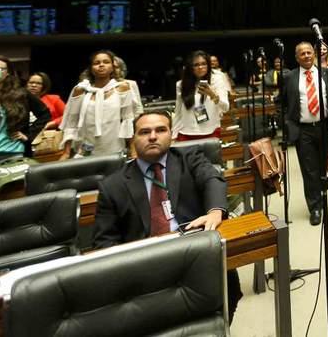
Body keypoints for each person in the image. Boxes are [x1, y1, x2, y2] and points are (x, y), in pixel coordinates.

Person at [92, 111, 242, 321]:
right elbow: (104, 242)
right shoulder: (112, 186)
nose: (153, 136)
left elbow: (212, 180)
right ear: (133, 140)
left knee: (224, 290)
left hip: (194, 253)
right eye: (145, 132)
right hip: (145, 268)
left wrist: (215, 212)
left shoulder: (189, 158)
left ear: (171, 135)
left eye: (160, 130)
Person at [283, 42, 328, 225]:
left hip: (323, 126)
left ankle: (322, 196)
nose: (306, 56)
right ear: (297, 57)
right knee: (309, 170)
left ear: (314, 54)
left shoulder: (326, 73)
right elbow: (282, 102)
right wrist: (286, 124)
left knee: (322, 167)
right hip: (303, 129)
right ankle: (315, 207)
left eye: (309, 52)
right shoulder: (289, 77)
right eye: (302, 53)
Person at [0, 56, 51, 171]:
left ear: (7, 73)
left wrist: (28, 135)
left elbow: (45, 114)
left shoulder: (20, 94)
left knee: (13, 189)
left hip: (11, 154)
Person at [61, 50, 143, 157]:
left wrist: (133, 150)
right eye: (96, 63)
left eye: (106, 62)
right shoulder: (81, 89)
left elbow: (128, 120)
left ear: (113, 67)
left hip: (114, 147)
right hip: (85, 149)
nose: (101, 65)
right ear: (90, 68)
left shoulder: (123, 88)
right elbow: (71, 122)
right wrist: (66, 153)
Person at [173, 51, 230, 141]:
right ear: (190, 67)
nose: (200, 67)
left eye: (204, 64)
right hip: (186, 132)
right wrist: (173, 136)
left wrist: (212, 94)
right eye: (196, 65)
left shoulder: (217, 80)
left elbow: (225, 107)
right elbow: (178, 111)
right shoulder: (181, 84)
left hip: (210, 131)